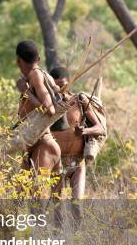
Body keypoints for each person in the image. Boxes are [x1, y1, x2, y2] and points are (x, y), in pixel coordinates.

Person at [49, 66, 104, 200]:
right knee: (56, 207)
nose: (60, 89)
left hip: (78, 162)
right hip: (56, 163)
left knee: (77, 206)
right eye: (55, 86)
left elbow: (100, 128)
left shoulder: (80, 100)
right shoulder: (48, 106)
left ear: (69, 83)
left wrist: (84, 131)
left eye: (62, 85)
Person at [15, 40, 62, 181]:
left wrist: (26, 92)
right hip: (33, 145)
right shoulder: (40, 76)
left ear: (18, 60)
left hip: (43, 145)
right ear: (39, 59)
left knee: (37, 197)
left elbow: (50, 110)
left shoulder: (36, 75)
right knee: (21, 197)